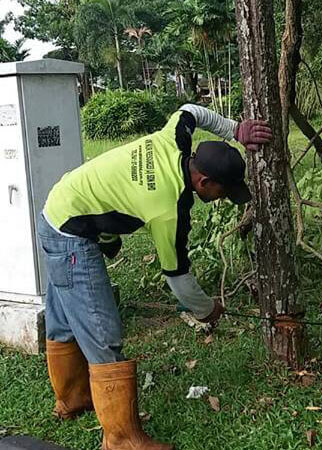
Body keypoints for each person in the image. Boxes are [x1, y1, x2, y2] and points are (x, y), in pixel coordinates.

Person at [38, 104, 272, 450]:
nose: (222, 199)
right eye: (223, 192)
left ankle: (72, 399)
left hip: (58, 209)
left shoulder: (174, 137)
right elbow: (177, 276)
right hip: (72, 233)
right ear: (203, 181)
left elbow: (191, 110)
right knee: (103, 333)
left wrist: (234, 129)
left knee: (63, 320)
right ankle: (121, 439)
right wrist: (207, 309)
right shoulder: (169, 209)